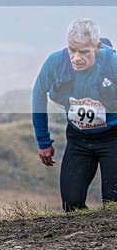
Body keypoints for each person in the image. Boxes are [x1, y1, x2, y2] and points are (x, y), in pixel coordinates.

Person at [32, 18, 117, 212]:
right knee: (71, 205)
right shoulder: (56, 61)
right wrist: (43, 142)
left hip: (113, 138)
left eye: (83, 52)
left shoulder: (112, 63)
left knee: (113, 205)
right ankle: (85, 237)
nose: (76, 57)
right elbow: (38, 95)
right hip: (78, 139)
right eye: (72, 49)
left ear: (96, 47)